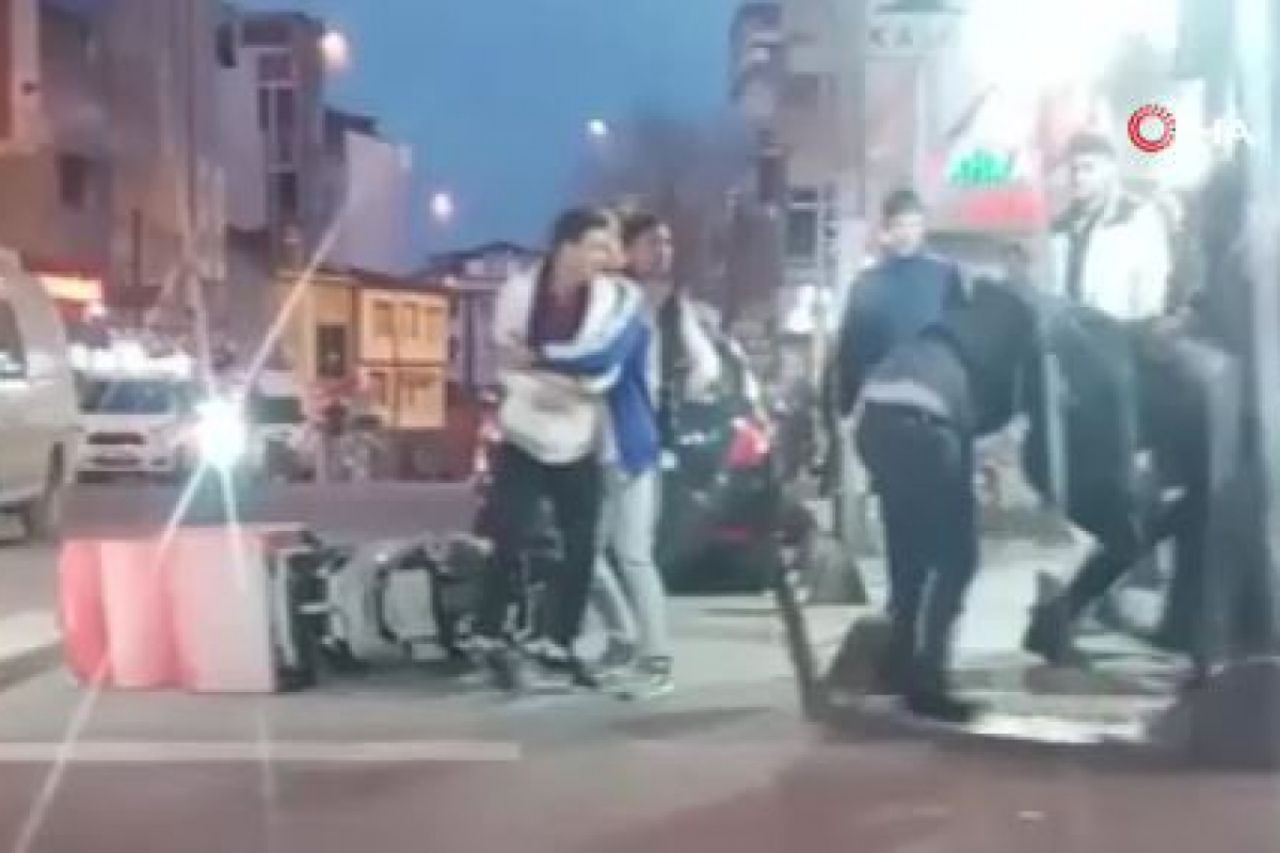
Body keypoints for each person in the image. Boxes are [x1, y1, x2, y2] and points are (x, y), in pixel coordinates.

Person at [477, 207, 649, 692]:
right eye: (597, 246)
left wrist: (541, 362)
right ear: (566, 247)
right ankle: (491, 632)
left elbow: (602, 370)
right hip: (523, 430)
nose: (606, 256)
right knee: (508, 533)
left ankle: (560, 641)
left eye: (610, 246)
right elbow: (506, 361)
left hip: (580, 435)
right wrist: (558, 378)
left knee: (582, 545)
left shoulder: (620, 296)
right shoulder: (518, 292)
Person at [586, 212, 722, 699]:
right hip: (598, 440)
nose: (662, 252)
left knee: (632, 553)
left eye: (666, 243)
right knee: (587, 552)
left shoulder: (660, 306)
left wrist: (682, 390)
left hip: (633, 439)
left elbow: (705, 364)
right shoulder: (615, 296)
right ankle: (625, 638)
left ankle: (655, 658)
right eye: (651, 243)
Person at [1048, 132, 1171, 321]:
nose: (1078, 177)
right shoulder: (1061, 226)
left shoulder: (1136, 217)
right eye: (1073, 169)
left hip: (1121, 330)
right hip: (1069, 331)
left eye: (1088, 168)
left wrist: (1141, 329)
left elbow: (1151, 287)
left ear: (1109, 170)